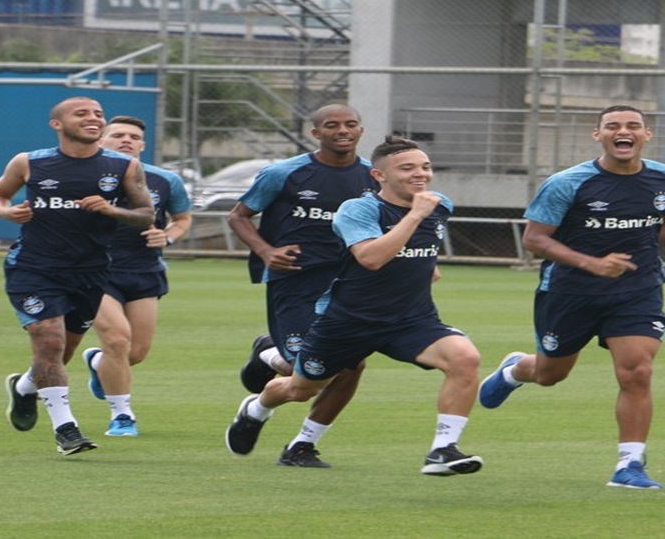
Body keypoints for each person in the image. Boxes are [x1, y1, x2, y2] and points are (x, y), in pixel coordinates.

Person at [477, 105, 665, 489]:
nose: (622, 131)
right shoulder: (567, 183)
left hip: (637, 289)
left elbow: (663, 221)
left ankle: (629, 466)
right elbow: (534, 240)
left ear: (647, 134)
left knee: (637, 371)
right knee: (551, 375)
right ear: (598, 135)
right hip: (570, 292)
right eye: (613, 126)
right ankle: (516, 370)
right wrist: (590, 264)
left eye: (632, 126)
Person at [225, 136, 486, 476]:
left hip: (411, 319)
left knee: (465, 358)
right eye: (407, 168)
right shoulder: (359, 209)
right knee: (299, 389)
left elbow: (422, 248)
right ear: (378, 176)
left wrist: (425, 264)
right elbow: (371, 258)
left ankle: (442, 451)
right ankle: (256, 408)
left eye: (425, 167)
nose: (419, 174)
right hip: (347, 322)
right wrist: (414, 217)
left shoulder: (440, 205)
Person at [0, 96, 155, 456]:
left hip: (91, 272)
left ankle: (25, 387)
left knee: (61, 353)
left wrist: (110, 210)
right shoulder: (29, 162)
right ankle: (67, 429)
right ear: (57, 125)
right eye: (82, 114)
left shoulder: (123, 166)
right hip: (34, 268)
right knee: (48, 341)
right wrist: (6, 212)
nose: (93, 119)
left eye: (98, 114)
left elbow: (145, 214)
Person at [224, 104, 377, 467]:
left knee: (352, 366)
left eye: (351, 124)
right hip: (296, 279)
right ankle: (268, 367)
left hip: (350, 283)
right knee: (305, 371)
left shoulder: (375, 176)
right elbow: (238, 215)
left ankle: (302, 445)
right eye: (332, 125)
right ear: (316, 133)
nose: (343, 130)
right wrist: (265, 250)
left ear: (360, 129)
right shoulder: (285, 173)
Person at [77, 115, 193, 438]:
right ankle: (122, 415)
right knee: (117, 338)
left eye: (133, 136)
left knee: (135, 353)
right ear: (100, 139)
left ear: (143, 144)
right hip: (96, 271)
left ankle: (98, 362)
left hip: (144, 271)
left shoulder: (165, 180)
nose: (126, 140)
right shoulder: (83, 176)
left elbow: (183, 218)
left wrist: (167, 236)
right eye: (117, 135)